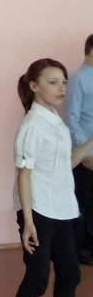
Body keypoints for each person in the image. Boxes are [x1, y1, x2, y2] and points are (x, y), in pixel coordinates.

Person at [8, 59, 93, 297]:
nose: (61, 88)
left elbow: (65, 164)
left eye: (64, 82)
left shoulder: (55, 121)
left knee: (70, 274)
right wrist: (28, 222)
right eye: (53, 82)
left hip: (62, 209)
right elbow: (24, 175)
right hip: (38, 211)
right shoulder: (31, 126)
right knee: (37, 278)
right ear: (34, 86)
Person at [65, 35, 93, 265]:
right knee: (84, 204)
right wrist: (85, 153)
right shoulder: (78, 79)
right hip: (85, 156)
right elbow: (71, 120)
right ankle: (82, 250)